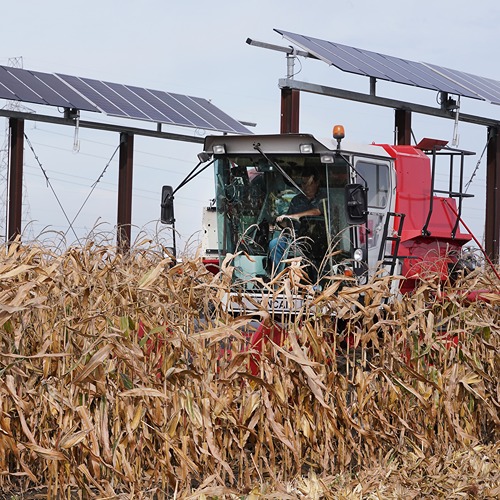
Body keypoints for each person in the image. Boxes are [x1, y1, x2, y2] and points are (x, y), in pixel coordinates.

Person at [269, 167, 324, 271]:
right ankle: (279, 277)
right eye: (303, 183)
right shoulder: (297, 200)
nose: (305, 187)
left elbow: (317, 211)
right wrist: (281, 221)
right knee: (274, 244)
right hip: (296, 239)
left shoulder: (324, 197)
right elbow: (288, 223)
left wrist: (293, 216)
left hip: (319, 241)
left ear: (317, 183)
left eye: (309, 183)